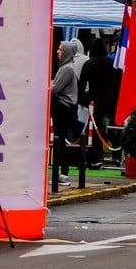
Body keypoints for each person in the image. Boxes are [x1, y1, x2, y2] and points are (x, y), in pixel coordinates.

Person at [78, 38, 116, 166]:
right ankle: (115, 155)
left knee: (93, 129)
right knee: (109, 128)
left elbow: (81, 86)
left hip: (94, 101)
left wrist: (84, 101)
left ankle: (94, 156)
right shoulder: (112, 63)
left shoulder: (89, 64)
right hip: (109, 101)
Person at [50, 41, 80, 187]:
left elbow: (55, 89)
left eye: (60, 49)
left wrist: (47, 84)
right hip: (64, 107)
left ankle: (63, 173)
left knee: (60, 139)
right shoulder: (65, 68)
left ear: (67, 52)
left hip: (63, 107)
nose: (57, 51)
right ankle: (60, 172)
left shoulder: (66, 69)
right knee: (60, 139)